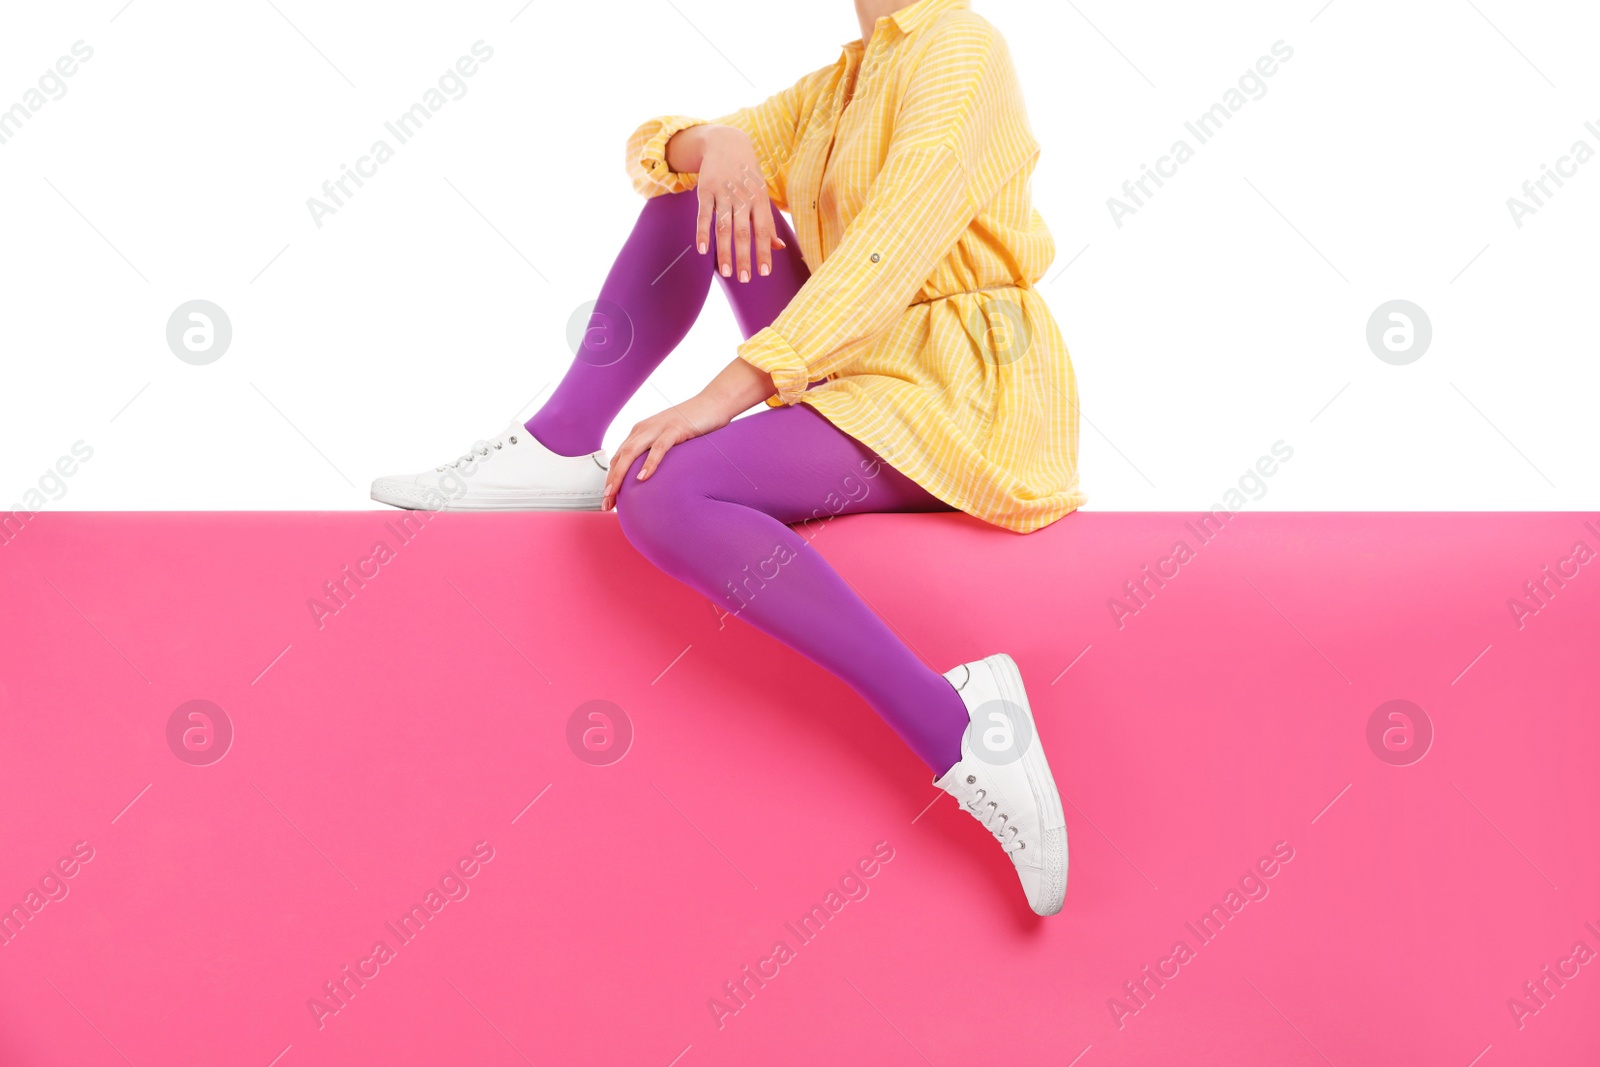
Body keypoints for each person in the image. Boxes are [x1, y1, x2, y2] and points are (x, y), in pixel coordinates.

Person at [371, 0, 1084, 916]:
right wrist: (710, 142)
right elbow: (650, 155)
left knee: (666, 492)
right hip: (855, 367)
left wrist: (720, 396)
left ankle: (962, 731)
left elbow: (889, 246)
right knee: (691, 201)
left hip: (955, 389)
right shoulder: (844, 82)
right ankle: (557, 442)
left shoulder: (961, 50)